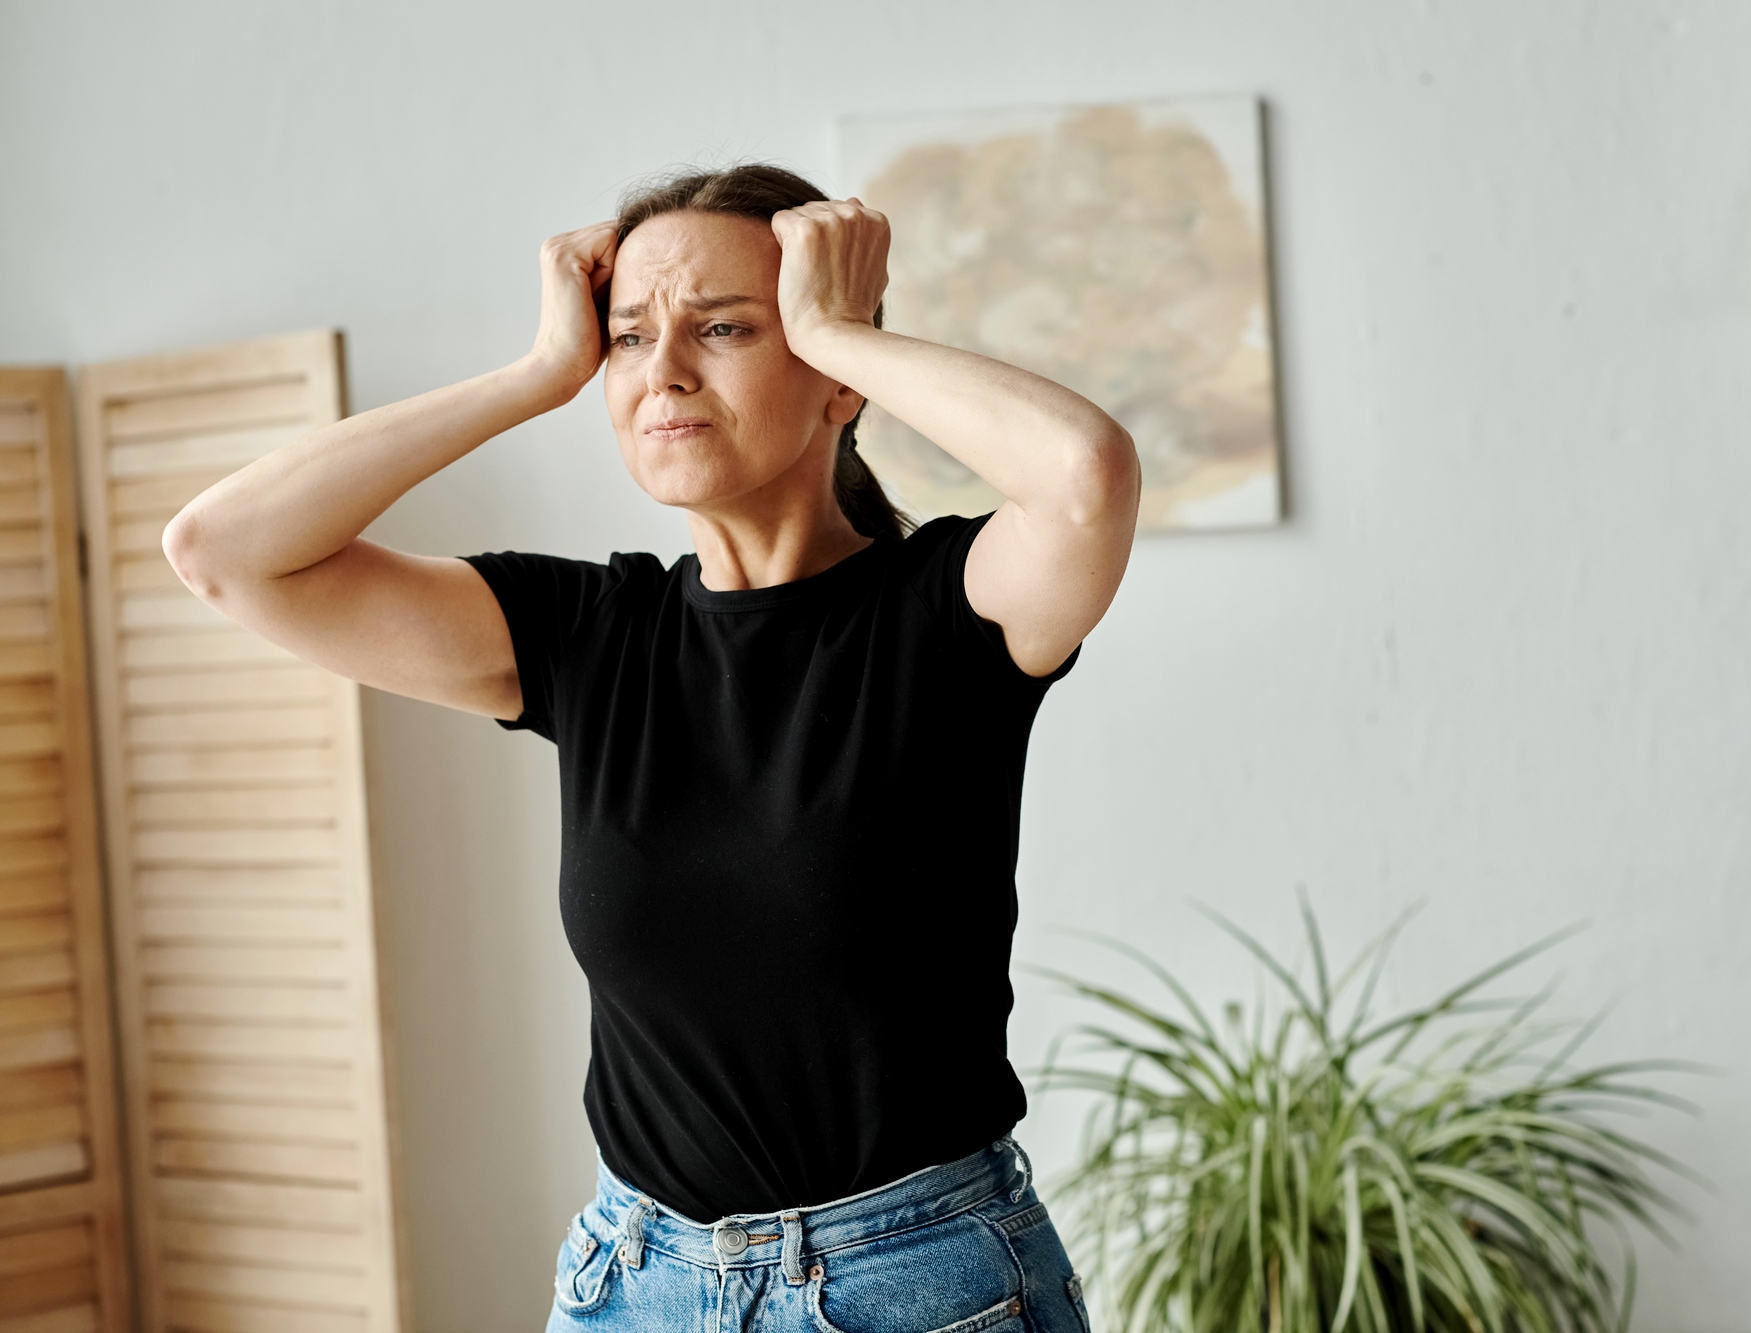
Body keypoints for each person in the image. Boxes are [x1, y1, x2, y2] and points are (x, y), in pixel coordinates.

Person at [162, 163, 1140, 1332]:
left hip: (915, 1287)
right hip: (632, 1281)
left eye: (724, 327)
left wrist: (831, 324)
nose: (664, 370)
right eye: (629, 336)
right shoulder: (592, 635)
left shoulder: (952, 613)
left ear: (836, 383)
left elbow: (1085, 476)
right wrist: (536, 374)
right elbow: (222, 548)